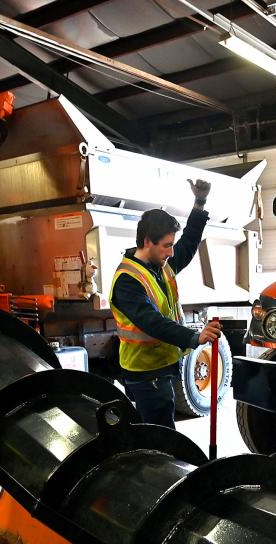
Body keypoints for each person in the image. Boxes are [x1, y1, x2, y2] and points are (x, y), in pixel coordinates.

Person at [110, 179, 222, 428]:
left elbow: (189, 242)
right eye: (167, 245)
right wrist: (194, 338)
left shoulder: (161, 265)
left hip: (161, 367)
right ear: (148, 241)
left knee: (158, 433)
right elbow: (152, 322)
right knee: (161, 438)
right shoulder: (128, 280)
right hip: (145, 372)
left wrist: (199, 203)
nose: (172, 252)